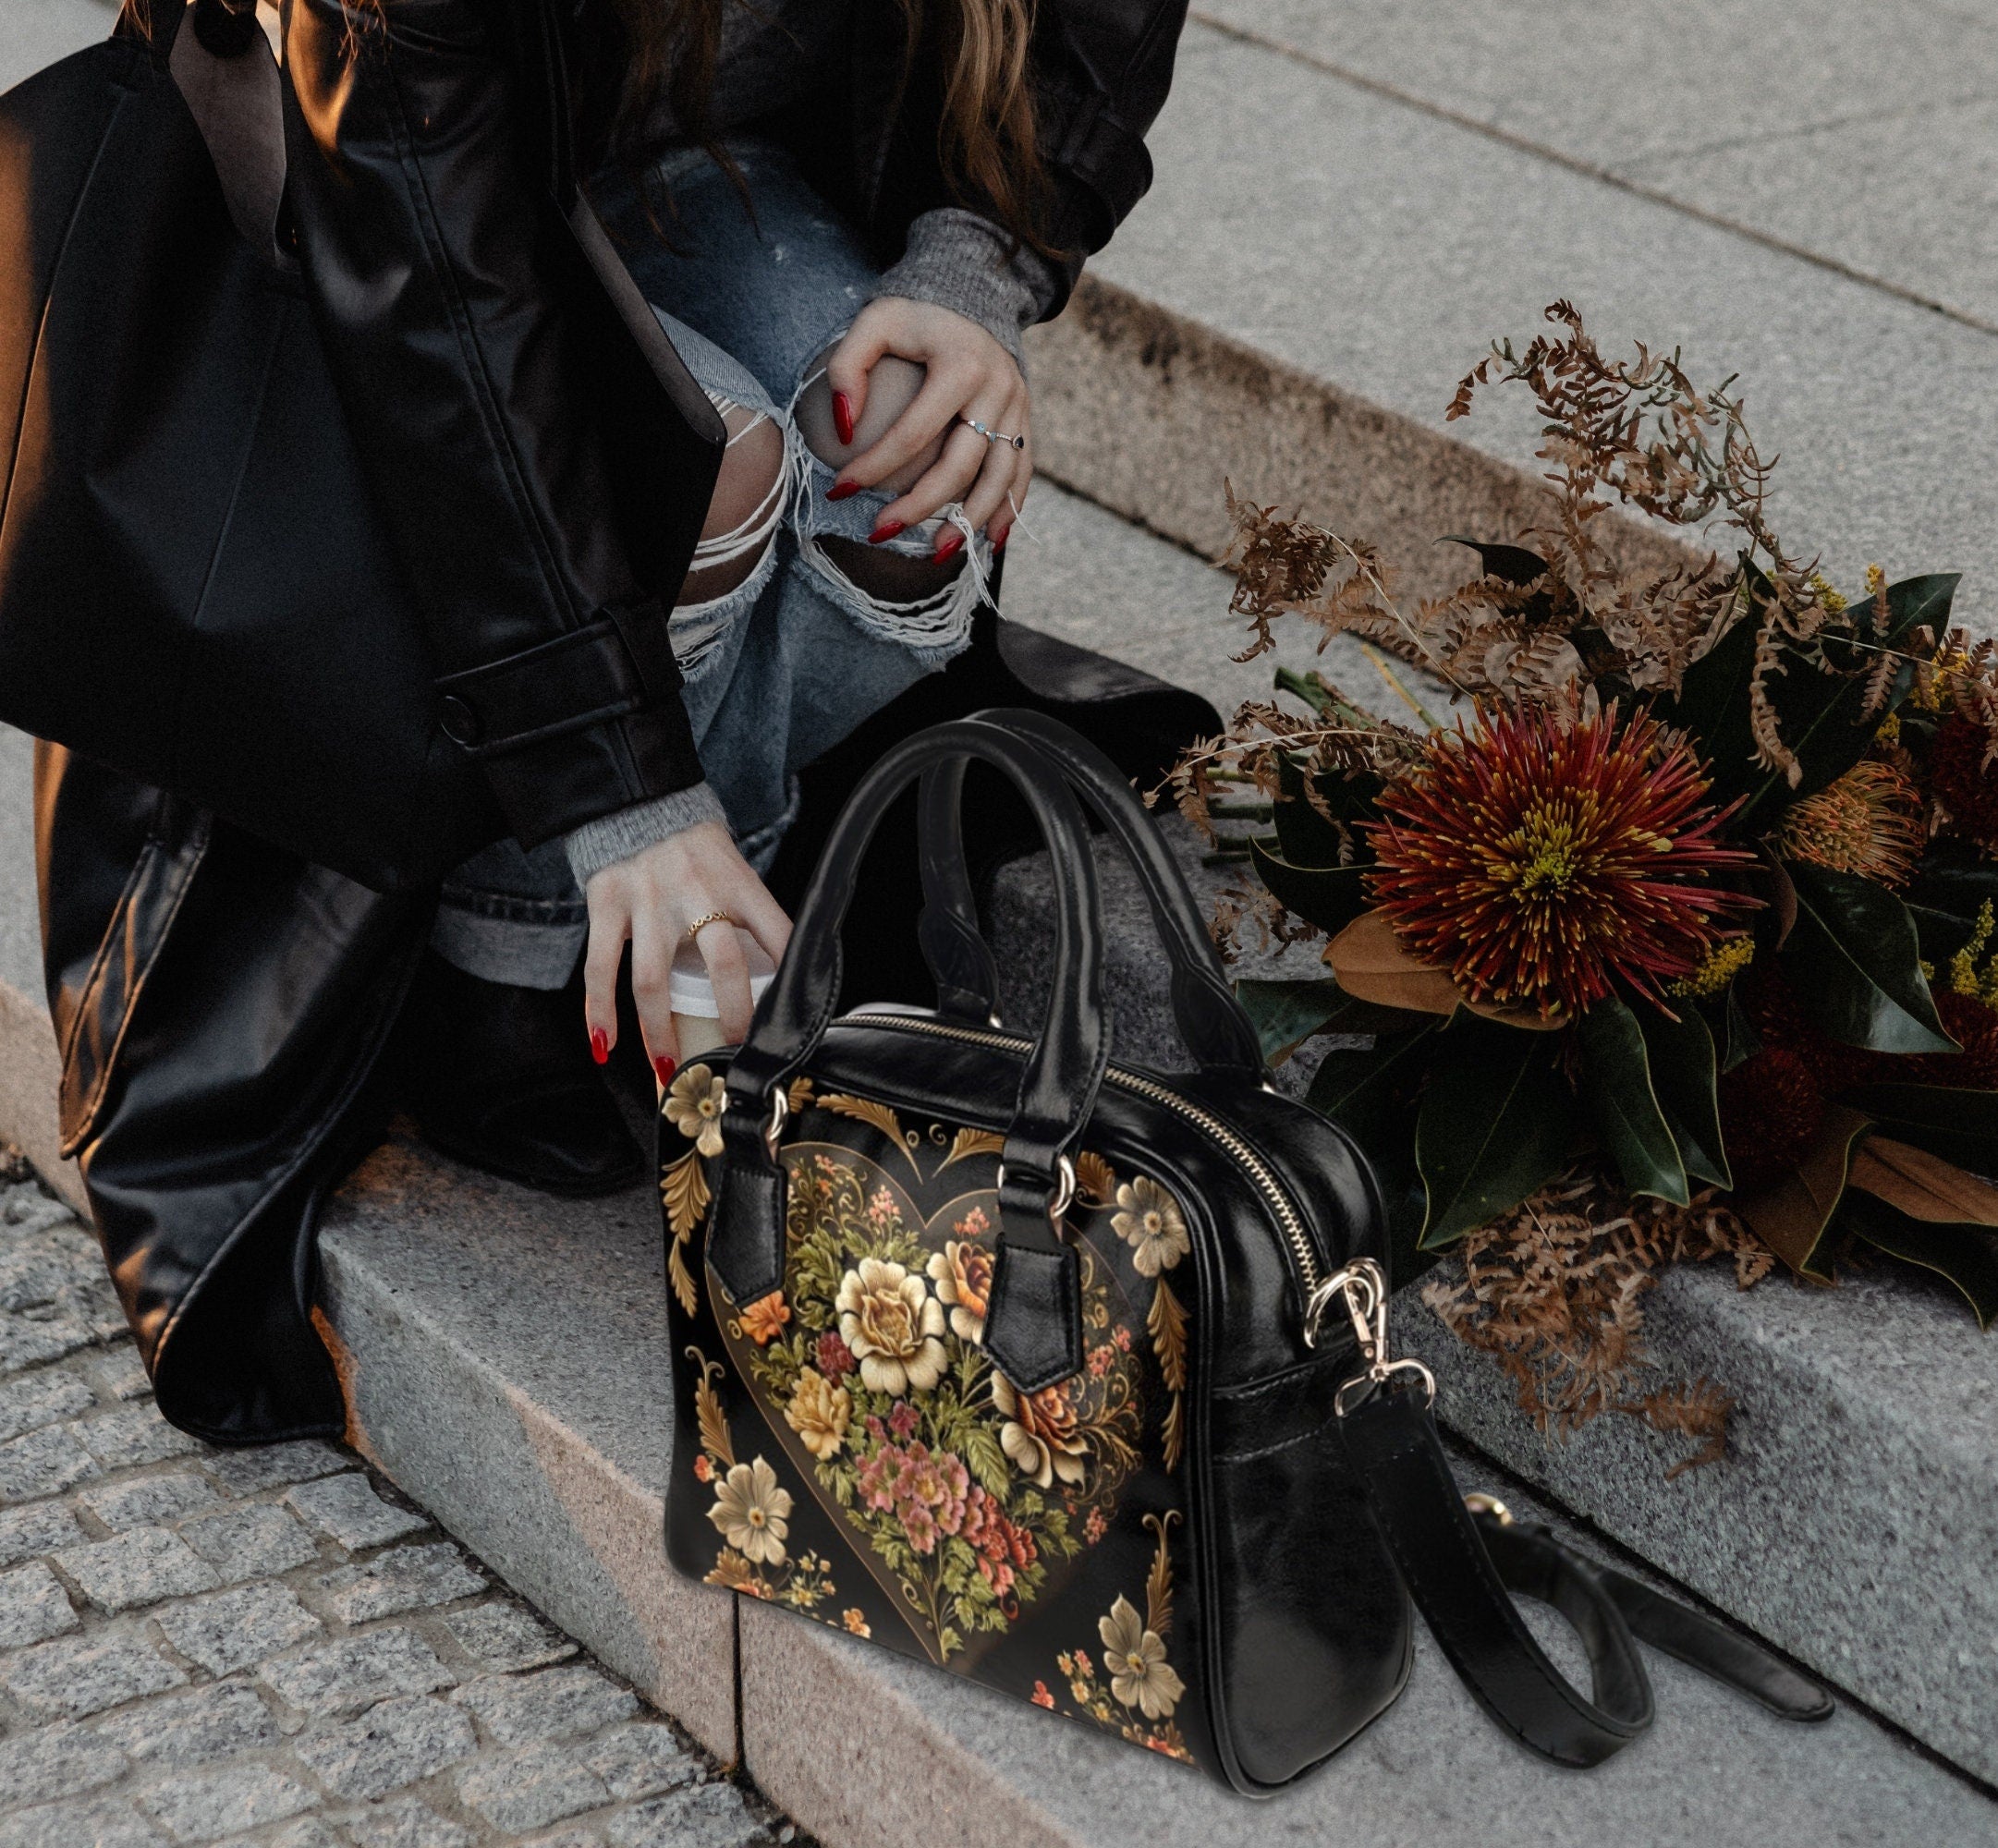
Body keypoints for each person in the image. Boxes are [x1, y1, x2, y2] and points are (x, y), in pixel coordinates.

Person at [37, 0, 1197, 1441]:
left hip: (713, 151)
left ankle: (702, 943)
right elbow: (447, 323)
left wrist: (976, 272)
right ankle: (519, 969)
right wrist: (627, 804)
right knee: (701, 465)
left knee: (902, 452)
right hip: (377, 219)